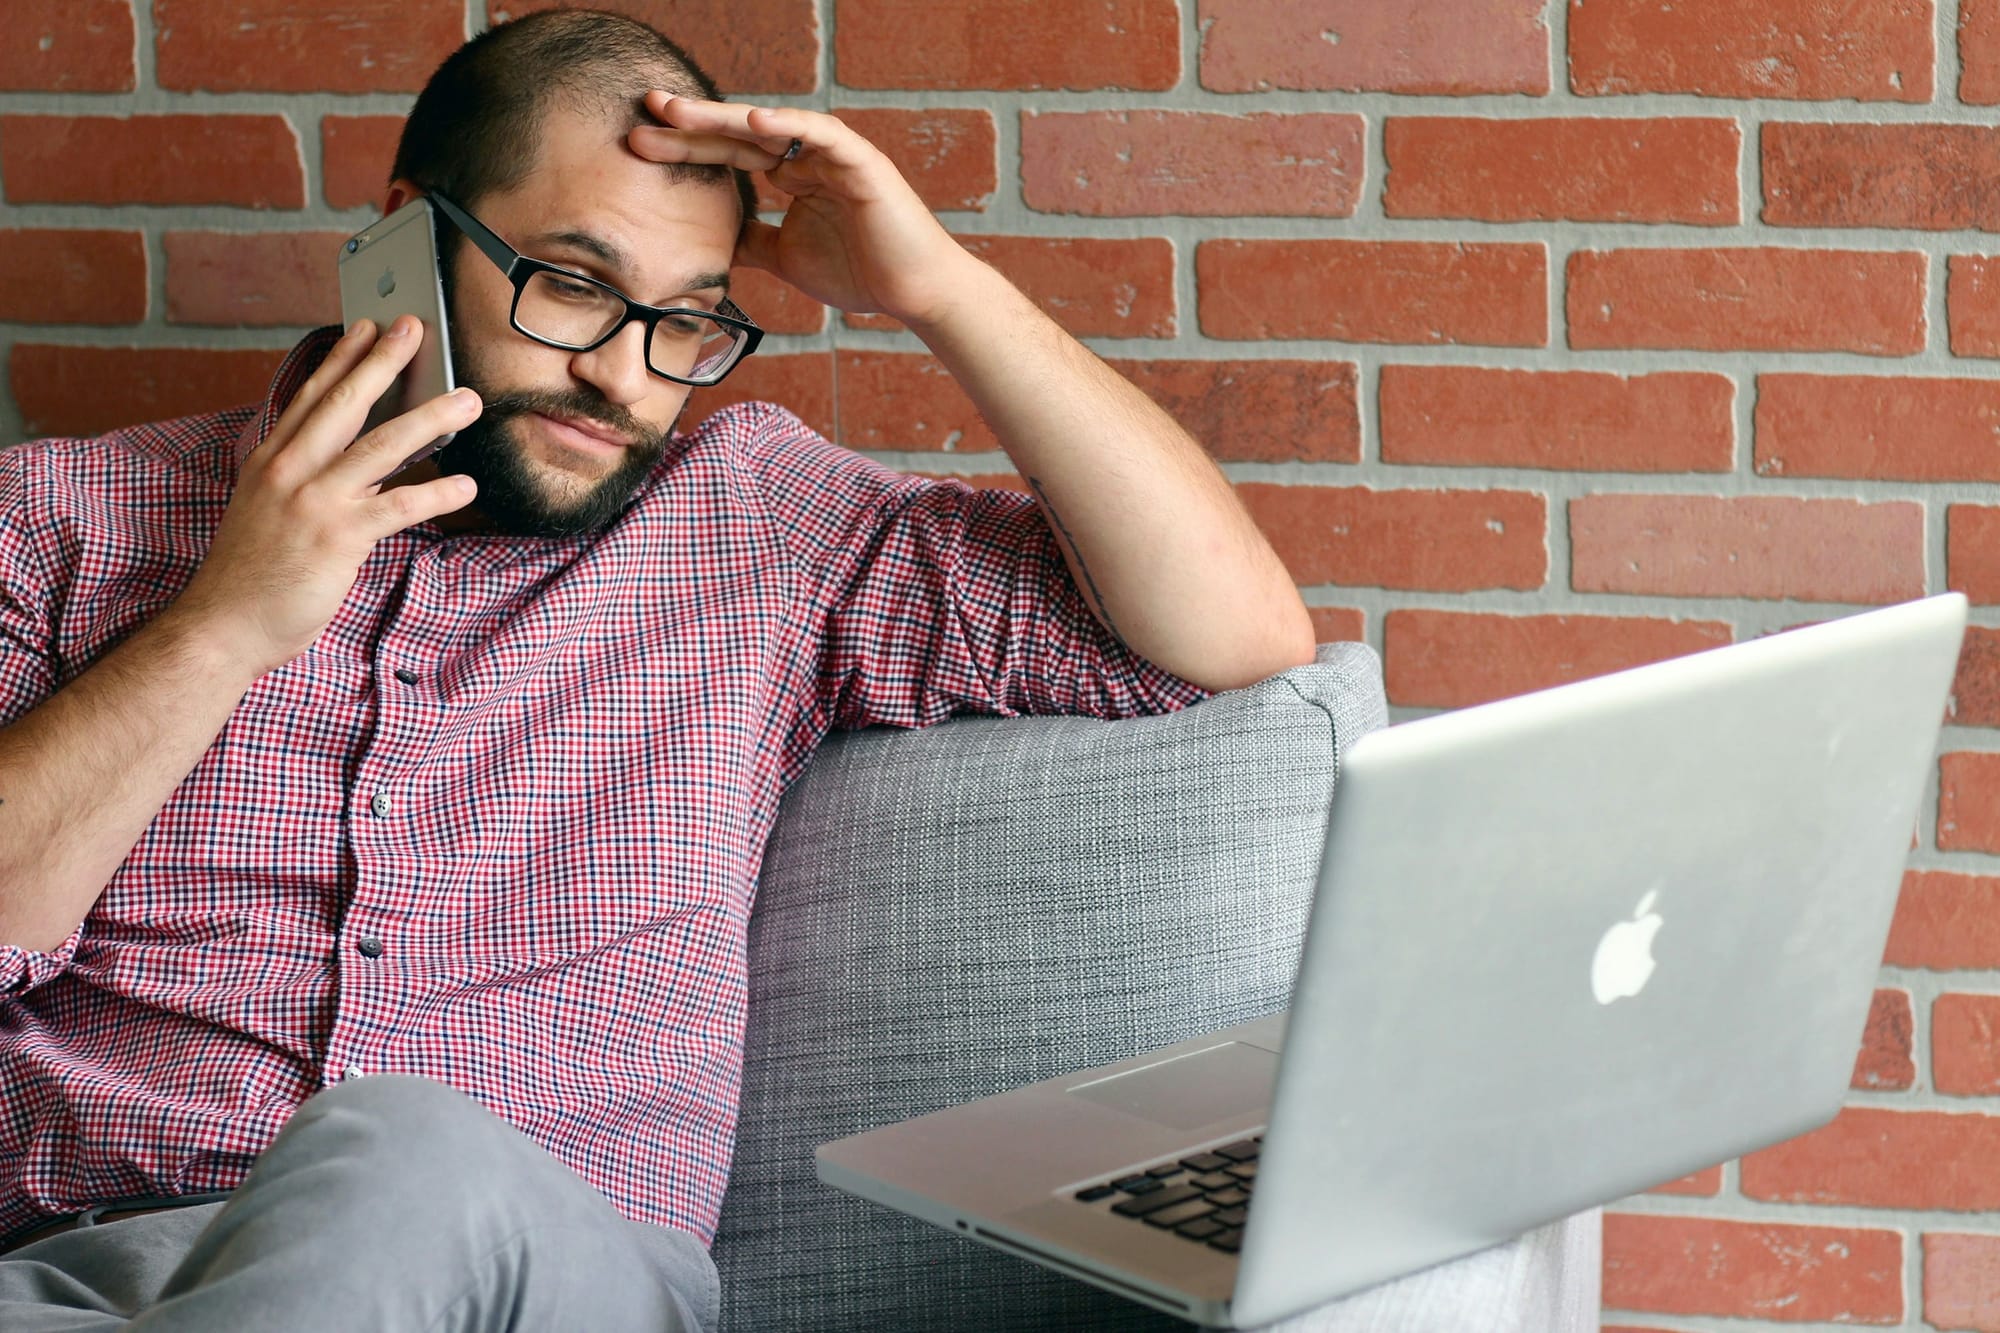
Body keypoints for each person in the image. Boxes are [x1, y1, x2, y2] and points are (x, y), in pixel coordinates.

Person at [0, 9, 1313, 1329]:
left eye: (685, 323)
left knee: (398, 1152)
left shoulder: (762, 529)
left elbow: (1231, 635)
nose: (623, 378)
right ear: (408, 236)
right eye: (571, 284)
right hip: (74, 1276)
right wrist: (223, 625)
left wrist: (940, 288)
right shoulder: (61, 519)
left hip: (540, 1279)